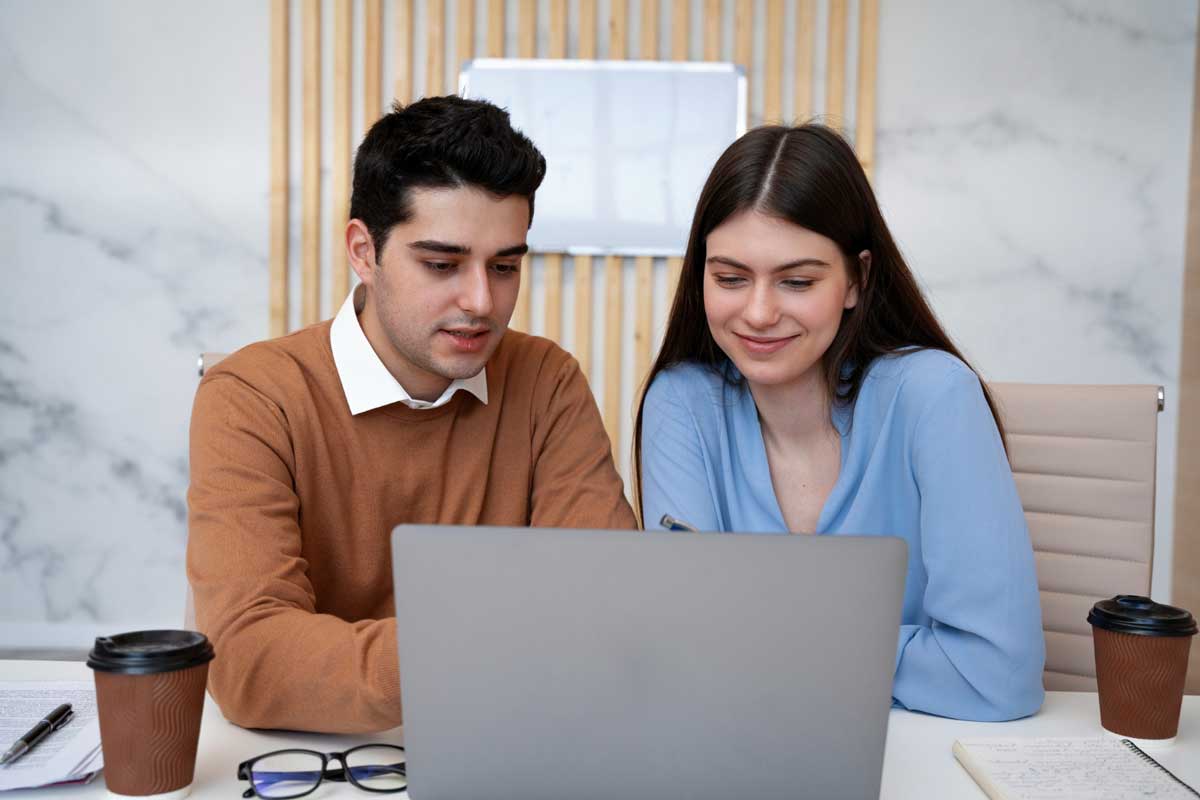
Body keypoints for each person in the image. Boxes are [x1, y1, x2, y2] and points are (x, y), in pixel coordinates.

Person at [188, 96, 637, 734]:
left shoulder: (546, 380)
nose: (482, 301)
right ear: (363, 251)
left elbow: (606, 608)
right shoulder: (252, 396)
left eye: (505, 266)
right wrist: (501, 650)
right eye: (442, 265)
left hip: (508, 747)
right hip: (317, 764)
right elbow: (250, 661)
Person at [636, 123, 1045, 721]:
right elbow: (680, 653)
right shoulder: (681, 403)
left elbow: (994, 677)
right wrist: (879, 651)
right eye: (729, 278)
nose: (757, 313)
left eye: (797, 281)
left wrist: (767, 643)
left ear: (856, 279)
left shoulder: (935, 396)